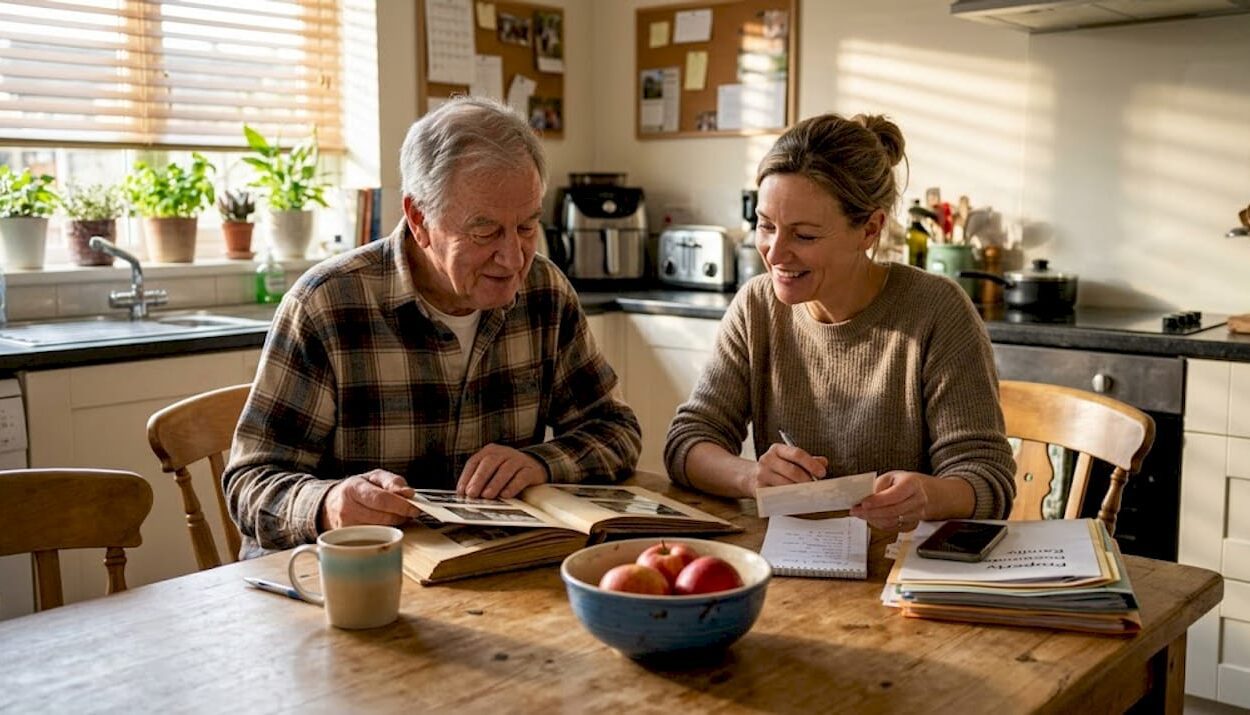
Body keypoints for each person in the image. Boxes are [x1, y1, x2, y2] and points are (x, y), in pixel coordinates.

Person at [224, 96, 642, 556]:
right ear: (420, 220)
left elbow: (616, 431)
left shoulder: (545, 292)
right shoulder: (326, 305)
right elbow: (250, 482)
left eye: (526, 227)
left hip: (489, 576)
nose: (513, 257)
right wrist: (327, 504)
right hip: (347, 580)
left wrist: (540, 463)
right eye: (484, 232)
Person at [663, 113, 1015, 532]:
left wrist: (928, 496)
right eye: (765, 226)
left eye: (804, 235)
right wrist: (751, 477)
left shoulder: (936, 310)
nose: (775, 253)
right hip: (790, 569)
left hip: (901, 573)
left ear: (870, 229)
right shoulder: (756, 307)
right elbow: (687, 443)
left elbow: (988, 480)